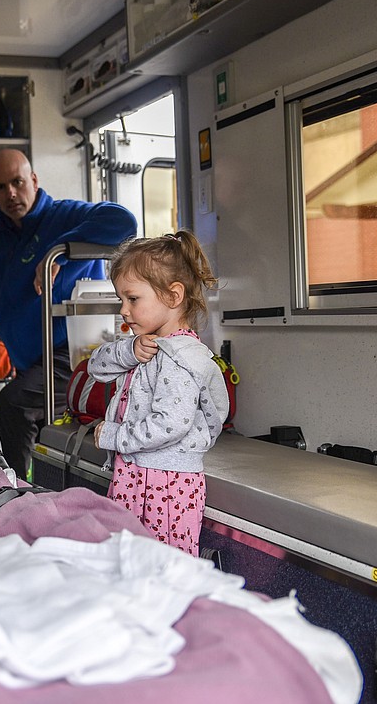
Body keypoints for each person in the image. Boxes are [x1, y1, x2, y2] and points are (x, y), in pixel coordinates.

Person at [0, 149, 136, 480]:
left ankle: (13, 492)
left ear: (34, 181)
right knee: (14, 424)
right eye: (0, 187)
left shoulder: (65, 216)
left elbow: (124, 222)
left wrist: (60, 252)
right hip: (32, 363)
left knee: (13, 405)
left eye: (17, 182)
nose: (10, 193)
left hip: (74, 354)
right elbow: (4, 307)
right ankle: (26, 492)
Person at [89, 232, 230, 556]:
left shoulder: (180, 358)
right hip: (137, 472)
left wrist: (114, 436)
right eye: (120, 300)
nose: (124, 310)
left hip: (166, 483)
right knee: (129, 557)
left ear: (173, 296)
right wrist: (129, 351)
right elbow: (96, 368)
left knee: (164, 564)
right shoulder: (147, 345)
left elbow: (170, 425)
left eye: (133, 299)